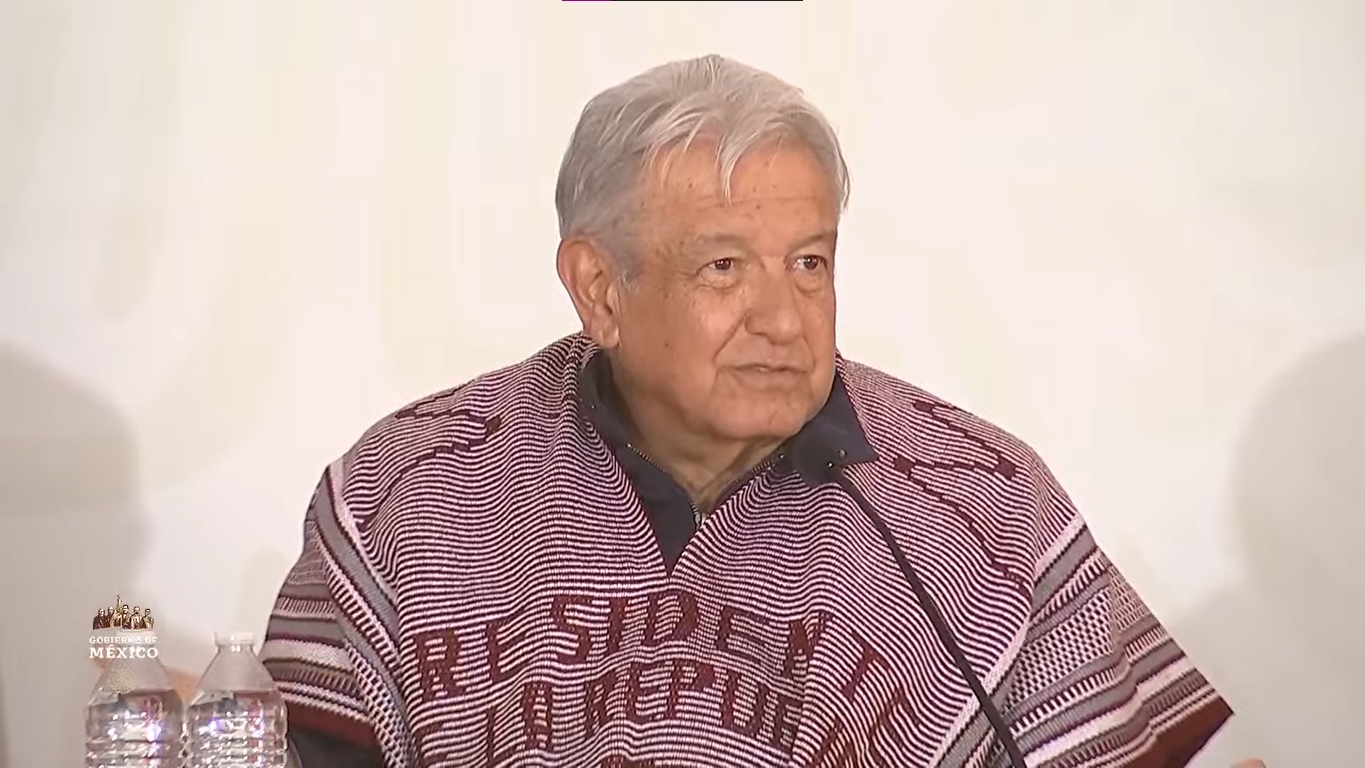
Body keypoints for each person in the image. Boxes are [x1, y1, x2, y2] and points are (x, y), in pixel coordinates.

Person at [260, 55, 1258, 767]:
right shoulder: (411, 488)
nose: (783, 317)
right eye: (725, 267)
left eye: (810, 263)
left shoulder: (982, 505)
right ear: (599, 289)